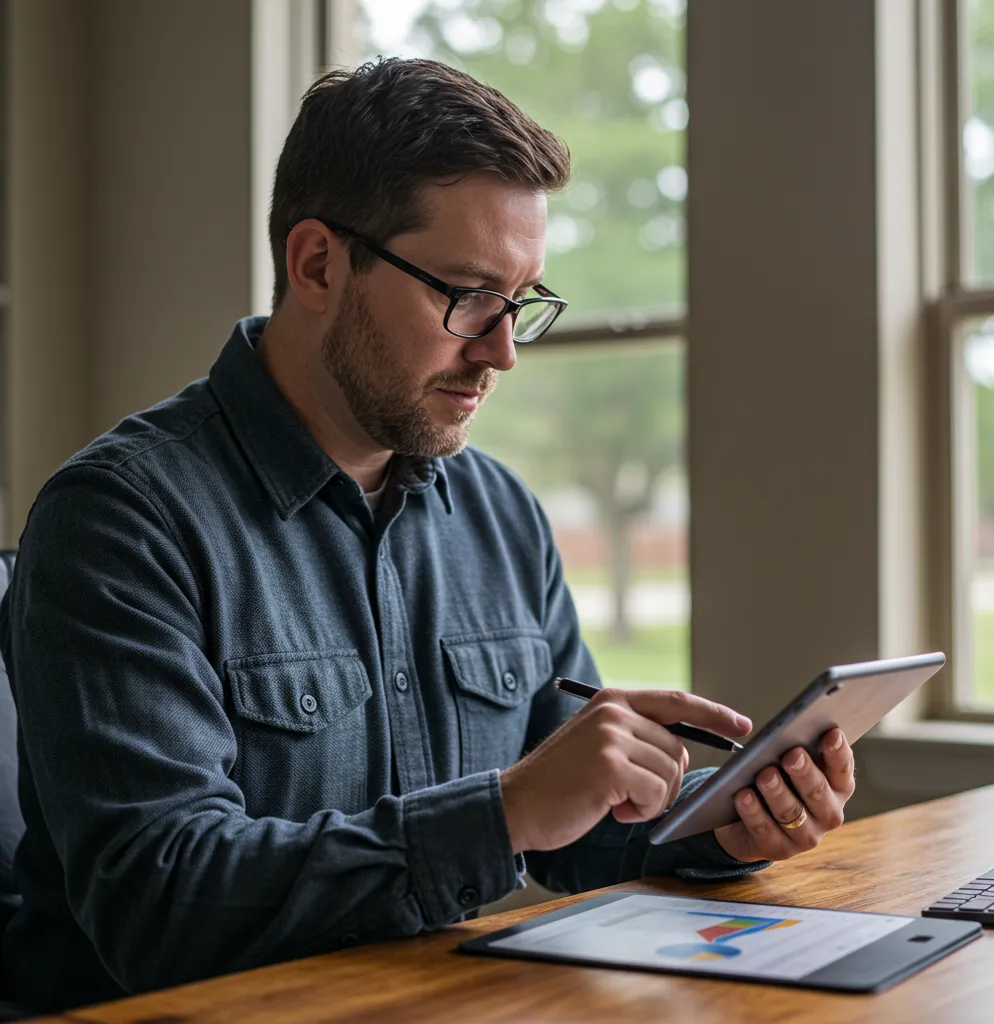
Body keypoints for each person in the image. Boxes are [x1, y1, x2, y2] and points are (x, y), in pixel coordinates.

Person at [0, 58, 855, 1013]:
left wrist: (711, 828)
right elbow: (161, 903)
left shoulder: (499, 513)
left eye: (521, 301)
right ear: (317, 263)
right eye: (467, 295)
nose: (502, 351)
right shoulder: (122, 520)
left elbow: (567, 824)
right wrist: (503, 810)